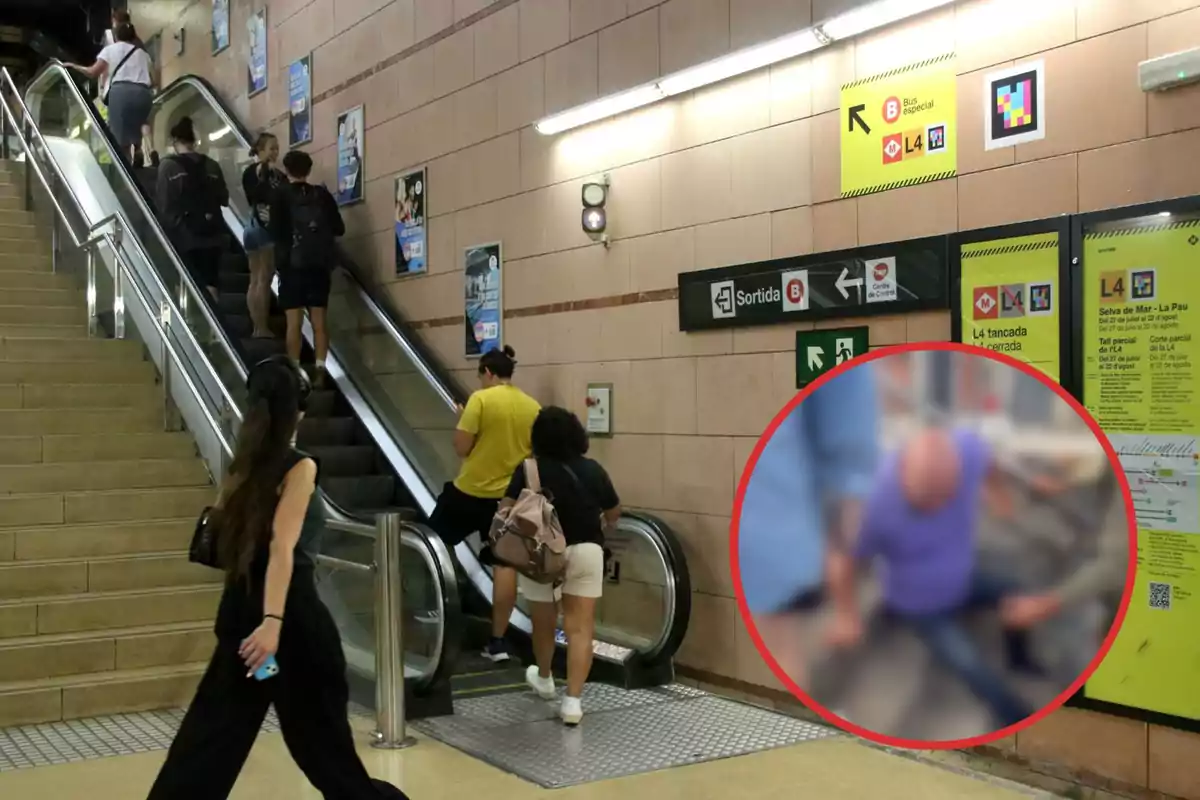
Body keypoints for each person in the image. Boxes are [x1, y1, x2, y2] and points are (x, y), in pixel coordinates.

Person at [146, 356, 406, 799]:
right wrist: (273, 624)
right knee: (322, 747)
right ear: (297, 410)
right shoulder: (298, 468)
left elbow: (232, 538)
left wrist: (261, 625)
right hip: (288, 630)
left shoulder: (242, 464)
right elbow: (283, 549)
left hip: (246, 626)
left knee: (212, 734)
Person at [847, 426, 1045, 730]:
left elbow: (986, 457)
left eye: (944, 496)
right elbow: (849, 560)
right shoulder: (875, 505)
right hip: (920, 605)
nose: (937, 507)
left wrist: (997, 492)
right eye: (926, 500)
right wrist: (847, 614)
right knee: (970, 663)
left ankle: (1020, 660)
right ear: (902, 473)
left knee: (1018, 591)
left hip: (962, 580)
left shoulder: (967, 451)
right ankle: (1019, 719)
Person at [737, 364, 881, 688]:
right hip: (784, 536)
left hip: (781, 538)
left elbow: (850, 459)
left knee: (784, 650)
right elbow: (850, 457)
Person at [505, 406, 620, 726]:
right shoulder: (593, 469)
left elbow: (506, 510)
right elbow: (613, 512)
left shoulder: (529, 469)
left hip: (542, 554)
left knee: (543, 621)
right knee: (580, 628)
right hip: (586, 549)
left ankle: (544, 678)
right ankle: (573, 702)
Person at [428, 346, 540, 663]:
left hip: (470, 491)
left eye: (480, 376)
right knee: (503, 565)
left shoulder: (481, 400)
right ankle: (498, 641)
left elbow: (462, 448)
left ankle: (438, 610)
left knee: (431, 542)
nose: (480, 382)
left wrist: (464, 419)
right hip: (508, 500)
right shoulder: (532, 406)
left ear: (488, 372)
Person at [268, 149, 344, 382]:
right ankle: (320, 370)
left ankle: (295, 373)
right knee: (319, 321)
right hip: (319, 267)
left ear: (287, 170)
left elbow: (275, 231)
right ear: (308, 170)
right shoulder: (321, 195)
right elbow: (339, 228)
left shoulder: (280, 195)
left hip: (292, 266)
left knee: (294, 323)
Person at [157, 116, 229, 304]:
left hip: (184, 235)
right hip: (213, 234)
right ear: (194, 141)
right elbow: (224, 199)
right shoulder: (212, 165)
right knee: (211, 282)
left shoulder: (168, 166)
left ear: (174, 140)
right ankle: (216, 331)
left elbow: (165, 204)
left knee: (185, 282)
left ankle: (191, 326)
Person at [66, 21, 154, 165]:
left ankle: (127, 171)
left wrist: (73, 66)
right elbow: (153, 79)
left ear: (116, 35)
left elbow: (93, 72)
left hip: (120, 94)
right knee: (138, 124)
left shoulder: (110, 50)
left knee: (120, 140)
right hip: (143, 93)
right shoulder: (143, 54)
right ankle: (138, 149)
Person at [241, 133, 285, 338]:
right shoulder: (269, 173)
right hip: (265, 226)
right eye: (271, 148)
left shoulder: (247, 172)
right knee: (264, 279)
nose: (275, 152)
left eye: (277, 148)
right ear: (260, 150)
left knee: (254, 278)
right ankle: (262, 327)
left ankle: (256, 326)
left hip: (250, 225)